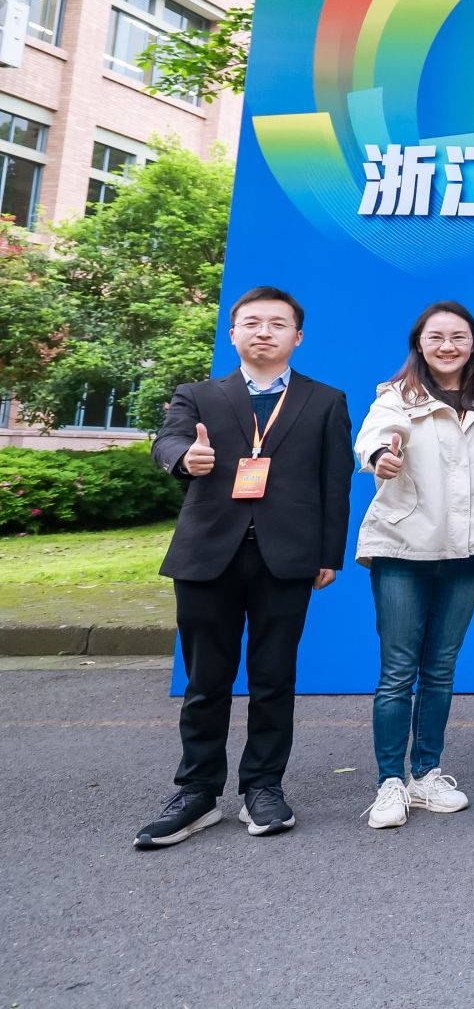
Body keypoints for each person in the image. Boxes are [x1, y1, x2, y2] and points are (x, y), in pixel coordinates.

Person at [136, 286, 352, 850]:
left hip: (288, 557)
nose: (264, 332)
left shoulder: (325, 400)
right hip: (208, 556)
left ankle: (263, 787)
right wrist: (184, 457)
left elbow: (334, 482)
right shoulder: (199, 395)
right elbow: (167, 441)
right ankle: (197, 792)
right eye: (252, 322)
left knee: (274, 679)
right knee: (205, 681)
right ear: (233, 334)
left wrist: (328, 553)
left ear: (297, 337)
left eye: (277, 324)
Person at [353, 301, 474, 830]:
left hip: (466, 553)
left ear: (473, 345)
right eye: (436, 337)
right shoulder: (395, 397)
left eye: (458, 337)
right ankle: (389, 782)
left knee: (441, 668)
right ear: (419, 344)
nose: (447, 346)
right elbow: (374, 438)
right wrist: (380, 457)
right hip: (403, 548)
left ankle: (426, 774)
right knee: (397, 671)